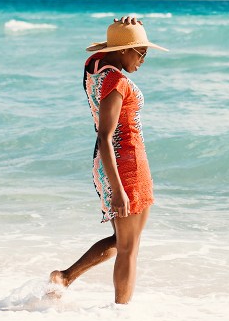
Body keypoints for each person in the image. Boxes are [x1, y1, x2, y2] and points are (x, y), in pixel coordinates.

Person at [49, 15, 167, 304]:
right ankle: (121, 314)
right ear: (125, 50)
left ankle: (65, 277)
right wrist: (118, 188)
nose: (143, 59)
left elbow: (99, 56)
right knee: (129, 247)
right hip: (125, 163)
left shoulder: (95, 70)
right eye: (141, 51)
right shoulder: (114, 80)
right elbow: (106, 136)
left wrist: (126, 31)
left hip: (110, 163)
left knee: (123, 241)